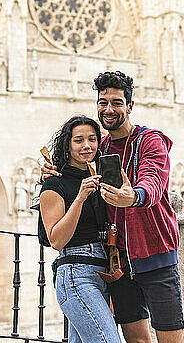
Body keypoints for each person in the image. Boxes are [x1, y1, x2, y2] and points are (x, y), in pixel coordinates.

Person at [42, 71, 184, 343]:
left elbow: (153, 180)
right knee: (137, 341)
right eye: (103, 102)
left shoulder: (150, 141)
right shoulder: (99, 146)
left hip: (155, 258)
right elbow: (71, 168)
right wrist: (49, 170)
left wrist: (135, 197)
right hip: (118, 263)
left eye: (117, 103)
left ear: (130, 106)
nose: (109, 109)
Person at [39, 115, 122, 343]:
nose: (87, 145)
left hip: (104, 271)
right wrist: (80, 198)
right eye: (79, 140)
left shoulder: (102, 178)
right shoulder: (55, 184)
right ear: (68, 144)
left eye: (92, 139)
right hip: (76, 273)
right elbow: (56, 240)